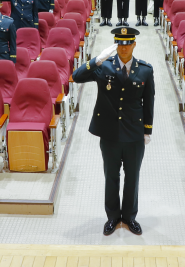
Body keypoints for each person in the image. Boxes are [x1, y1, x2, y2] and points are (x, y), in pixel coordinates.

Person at [71, 27, 154, 236]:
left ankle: (129, 217)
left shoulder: (145, 69)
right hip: (110, 134)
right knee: (111, 177)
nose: (124, 48)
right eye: (120, 43)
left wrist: (147, 130)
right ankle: (112, 217)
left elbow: (149, 102)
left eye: (128, 43)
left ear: (134, 44)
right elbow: (76, 76)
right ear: (116, 45)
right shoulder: (104, 66)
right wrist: (96, 60)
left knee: (132, 177)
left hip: (134, 134)